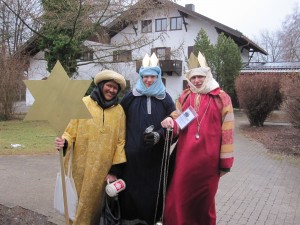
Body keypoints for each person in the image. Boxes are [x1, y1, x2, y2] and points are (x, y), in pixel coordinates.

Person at [161, 52, 234, 225]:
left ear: (207, 75)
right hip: (184, 160)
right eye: (193, 78)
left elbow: (228, 131)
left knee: (204, 204)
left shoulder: (222, 98)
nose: (196, 81)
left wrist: (225, 163)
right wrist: (170, 123)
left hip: (209, 163)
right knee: (177, 199)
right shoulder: (185, 96)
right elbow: (178, 122)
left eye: (200, 77)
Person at [54, 70, 127, 225]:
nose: (112, 90)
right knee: (77, 206)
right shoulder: (84, 103)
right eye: (109, 86)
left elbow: (121, 142)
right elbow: (70, 131)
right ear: (101, 85)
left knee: (95, 209)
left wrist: (114, 171)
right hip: (80, 169)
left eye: (115, 88)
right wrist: (64, 142)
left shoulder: (119, 111)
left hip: (103, 171)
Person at [119, 53, 176, 225]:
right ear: (141, 77)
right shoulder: (130, 97)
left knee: (153, 191)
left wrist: (160, 134)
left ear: (158, 76)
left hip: (155, 158)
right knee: (131, 191)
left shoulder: (165, 98)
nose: (148, 80)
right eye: (145, 76)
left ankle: (152, 220)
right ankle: (129, 220)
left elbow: (174, 122)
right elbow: (117, 120)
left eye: (152, 76)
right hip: (132, 157)